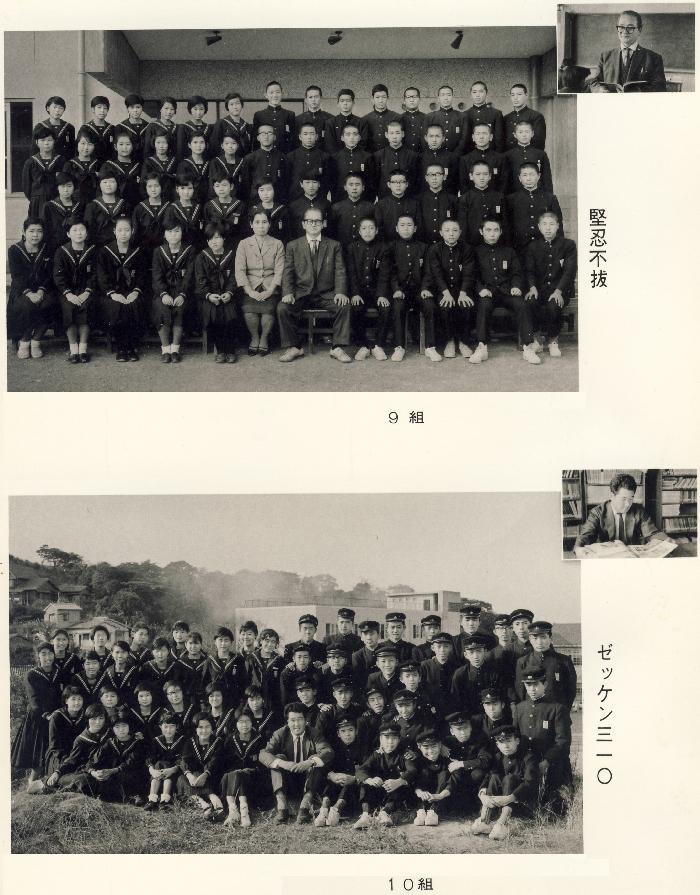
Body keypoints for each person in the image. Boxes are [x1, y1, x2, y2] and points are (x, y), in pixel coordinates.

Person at [277, 207, 352, 363]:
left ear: (323, 224)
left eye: (317, 221)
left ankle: (337, 347)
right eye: (309, 221)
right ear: (303, 224)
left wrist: (340, 292)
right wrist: (288, 292)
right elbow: (288, 272)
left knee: (344, 305)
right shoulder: (293, 245)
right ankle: (294, 347)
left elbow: (340, 270)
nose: (313, 224)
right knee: (283, 308)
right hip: (302, 292)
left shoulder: (334, 245)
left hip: (326, 293)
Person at [470, 214, 540, 366]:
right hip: (487, 292)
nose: (492, 234)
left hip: (507, 291)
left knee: (522, 305)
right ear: (481, 232)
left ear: (501, 232)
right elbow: (472, 275)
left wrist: (515, 286)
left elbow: (517, 273)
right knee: (484, 305)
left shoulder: (509, 251)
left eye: (496, 230)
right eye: (488, 230)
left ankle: (528, 347)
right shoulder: (475, 252)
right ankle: (482, 346)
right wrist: (480, 289)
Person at [260, 700, 335, 824]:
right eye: (292, 720)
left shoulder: (314, 733)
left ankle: (304, 807)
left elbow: (327, 751)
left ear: (306, 720)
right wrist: (283, 763)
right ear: (287, 722)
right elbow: (263, 754)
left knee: (315, 758)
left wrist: (309, 762)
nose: (296, 724)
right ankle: (282, 807)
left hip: (308, 781)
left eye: (300, 719)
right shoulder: (280, 733)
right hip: (287, 781)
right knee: (278, 758)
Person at [512, 668, 573, 811]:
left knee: (554, 806)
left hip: (550, 761)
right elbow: (516, 736)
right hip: (527, 761)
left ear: (544, 684)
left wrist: (547, 760)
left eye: (536, 684)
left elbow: (562, 741)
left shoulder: (557, 709)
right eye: (528, 685)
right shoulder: (520, 708)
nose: (532, 689)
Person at [379, 214, 432, 362]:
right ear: (396, 228)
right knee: (398, 307)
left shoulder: (423, 247)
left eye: (409, 225)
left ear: (415, 228)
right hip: (400, 291)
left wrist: (425, 288)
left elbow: (428, 271)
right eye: (402, 225)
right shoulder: (390, 247)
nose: (406, 228)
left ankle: (430, 346)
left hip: (419, 290)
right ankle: (399, 347)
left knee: (429, 305)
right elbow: (390, 272)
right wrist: (396, 289)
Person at [472, 724, 538, 840]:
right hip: (500, 803)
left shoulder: (528, 757)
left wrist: (510, 798)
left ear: (517, 741)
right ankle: (485, 821)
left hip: (520, 804)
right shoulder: (498, 757)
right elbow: (488, 777)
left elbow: (530, 783)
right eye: (501, 742)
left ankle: (502, 824)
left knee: (509, 778)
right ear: (497, 745)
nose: (506, 746)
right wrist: (482, 795)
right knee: (495, 776)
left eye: (509, 741)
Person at [525, 211, 577, 358]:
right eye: (544, 224)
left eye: (552, 224)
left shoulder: (568, 245)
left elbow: (569, 271)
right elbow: (529, 270)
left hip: (560, 289)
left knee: (554, 304)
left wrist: (558, 291)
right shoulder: (533, 246)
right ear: (539, 227)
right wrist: (532, 287)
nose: (548, 228)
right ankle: (537, 339)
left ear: (558, 226)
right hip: (539, 289)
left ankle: (553, 340)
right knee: (530, 301)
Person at [11, 642, 63, 789]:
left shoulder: (59, 672)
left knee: (52, 754)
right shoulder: (32, 675)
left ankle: (46, 785)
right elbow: (33, 699)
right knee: (38, 757)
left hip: (56, 717)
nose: (47, 657)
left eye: (50, 653)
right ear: (38, 656)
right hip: (39, 718)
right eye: (43, 654)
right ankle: (31, 787)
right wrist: (46, 715)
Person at [575, 472, 669, 551]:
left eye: (631, 499)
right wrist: (578, 549)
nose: (628, 504)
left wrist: (665, 540)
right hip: (608, 556)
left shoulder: (638, 511)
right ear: (612, 496)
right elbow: (585, 536)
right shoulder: (597, 512)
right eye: (623, 499)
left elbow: (652, 533)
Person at [97, 215, 147, 363]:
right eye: (120, 230)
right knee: (117, 306)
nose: (123, 233)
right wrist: (112, 293)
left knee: (133, 305)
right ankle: (121, 347)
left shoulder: (138, 251)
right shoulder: (105, 251)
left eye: (127, 230)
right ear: (114, 231)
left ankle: (131, 346)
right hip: (112, 293)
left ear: (132, 231)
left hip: (132, 291)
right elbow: (102, 276)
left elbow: (142, 275)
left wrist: (136, 291)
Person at [426, 218, 476, 362]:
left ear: (460, 232)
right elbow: (436, 274)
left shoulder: (467, 249)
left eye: (455, 230)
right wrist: (446, 293)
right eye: (447, 230)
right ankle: (449, 341)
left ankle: (463, 341)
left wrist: (463, 292)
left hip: (462, 290)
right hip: (443, 290)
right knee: (445, 306)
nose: (451, 234)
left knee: (466, 305)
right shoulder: (435, 249)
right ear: (441, 233)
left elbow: (468, 272)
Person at [7, 218, 55, 361]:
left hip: (43, 289)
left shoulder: (47, 249)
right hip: (22, 290)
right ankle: (25, 340)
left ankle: (36, 340)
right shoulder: (14, 250)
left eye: (39, 231)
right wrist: (29, 293)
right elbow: (16, 276)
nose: (35, 235)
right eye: (31, 231)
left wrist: (40, 291)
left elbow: (49, 274)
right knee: (27, 306)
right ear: (24, 232)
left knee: (50, 303)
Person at [588, 9, 666, 93]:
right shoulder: (605, 56)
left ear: (639, 30)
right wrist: (600, 90)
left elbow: (660, 88)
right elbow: (594, 82)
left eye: (630, 27)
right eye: (621, 27)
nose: (625, 31)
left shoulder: (654, 58)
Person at [52, 215, 96, 364]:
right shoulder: (61, 251)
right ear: (68, 234)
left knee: (86, 307)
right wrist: (68, 294)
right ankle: (73, 349)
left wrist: (87, 292)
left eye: (82, 229)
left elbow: (95, 274)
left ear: (87, 233)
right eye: (75, 230)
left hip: (86, 291)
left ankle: (83, 348)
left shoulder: (92, 250)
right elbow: (58, 276)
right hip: (67, 292)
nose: (79, 233)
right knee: (68, 307)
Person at [347, 216, 391, 361]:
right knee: (355, 308)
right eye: (364, 228)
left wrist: (381, 295)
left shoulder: (383, 248)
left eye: (371, 228)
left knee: (385, 308)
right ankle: (363, 345)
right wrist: (355, 293)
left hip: (377, 292)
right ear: (359, 231)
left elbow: (384, 274)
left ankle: (378, 345)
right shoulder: (352, 248)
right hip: (359, 292)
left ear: (376, 230)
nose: (368, 231)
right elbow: (351, 273)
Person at [151, 222, 195, 364]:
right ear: (164, 235)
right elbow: (157, 276)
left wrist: (182, 294)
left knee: (180, 309)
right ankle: (165, 349)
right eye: (169, 232)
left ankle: (175, 349)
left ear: (182, 233)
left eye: (176, 231)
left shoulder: (189, 250)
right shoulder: (158, 251)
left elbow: (189, 276)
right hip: (163, 291)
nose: (173, 235)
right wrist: (163, 294)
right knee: (161, 308)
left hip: (183, 291)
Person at [195, 221, 239, 364]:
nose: (214, 241)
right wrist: (209, 295)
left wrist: (229, 293)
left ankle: (230, 350)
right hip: (209, 297)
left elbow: (234, 277)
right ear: (207, 241)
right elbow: (200, 280)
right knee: (214, 315)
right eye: (211, 238)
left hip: (228, 295)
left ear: (224, 238)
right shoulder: (201, 257)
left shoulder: (231, 255)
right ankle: (220, 350)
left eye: (218, 237)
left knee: (230, 313)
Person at [355, 721, 410, 828]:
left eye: (394, 738)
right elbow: (361, 770)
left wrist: (399, 781)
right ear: (380, 739)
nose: (390, 742)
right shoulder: (376, 754)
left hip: (395, 793)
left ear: (399, 740)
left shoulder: (404, 754)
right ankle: (366, 816)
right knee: (365, 784)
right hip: (379, 790)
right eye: (386, 738)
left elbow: (412, 770)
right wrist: (370, 780)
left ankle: (384, 813)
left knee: (401, 787)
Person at [86, 707, 148, 803]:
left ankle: (134, 796)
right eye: (117, 727)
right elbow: (95, 759)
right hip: (113, 774)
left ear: (129, 726)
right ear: (113, 729)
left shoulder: (137, 742)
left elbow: (130, 763)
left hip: (131, 774)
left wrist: (112, 771)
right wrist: (94, 772)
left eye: (124, 726)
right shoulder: (110, 742)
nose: (121, 730)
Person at [513, 621, 577, 709]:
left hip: (557, 712)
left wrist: (563, 712)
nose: (539, 642)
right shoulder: (523, 662)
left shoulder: (564, 661)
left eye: (543, 637)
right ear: (530, 639)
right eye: (535, 638)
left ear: (550, 638)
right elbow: (520, 692)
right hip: (532, 712)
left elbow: (571, 690)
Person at [221, 710, 266, 827]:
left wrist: (250, 769)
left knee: (241, 774)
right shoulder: (230, 740)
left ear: (252, 723)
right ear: (236, 724)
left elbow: (262, 763)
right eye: (241, 722)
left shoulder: (259, 739)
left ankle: (237, 811)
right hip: (232, 778)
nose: (244, 725)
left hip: (253, 778)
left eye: (247, 721)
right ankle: (241, 810)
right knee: (236, 774)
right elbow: (225, 763)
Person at [178, 711, 226, 819]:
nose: (204, 730)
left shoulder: (218, 742)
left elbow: (215, 762)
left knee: (206, 780)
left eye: (207, 727)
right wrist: (189, 775)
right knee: (181, 779)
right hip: (194, 778)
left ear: (212, 727)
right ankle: (203, 804)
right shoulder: (190, 742)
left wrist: (205, 774)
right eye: (200, 727)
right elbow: (184, 760)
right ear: (195, 728)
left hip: (211, 776)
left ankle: (214, 801)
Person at [406, 729, 453, 826]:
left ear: (440, 745)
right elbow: (413, 781)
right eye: (426, 747)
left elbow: (452, 782)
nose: (430, 751)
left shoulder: (446, 761)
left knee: (444, 774)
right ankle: (421, 810)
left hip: (440, 797)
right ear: (419, 747)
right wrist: (419, 792)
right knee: (424, 773)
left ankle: (433, 811)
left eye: (434, 746)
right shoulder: (418, 761)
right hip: (422, 796)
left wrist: (440, 796)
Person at [457, 161, 507, 248]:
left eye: (485, 174)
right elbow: (463, 227)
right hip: (473, 244)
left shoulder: (499, 197)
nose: (482, 177)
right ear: (471, 176)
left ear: (490, 176)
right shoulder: (465, 198)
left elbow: (504, 223)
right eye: (478, 174)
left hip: (495, 244)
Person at [22, 124, 65, 219]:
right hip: (37, 202)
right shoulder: (31, 162)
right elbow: (26, 187)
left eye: (49, 140)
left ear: (54, 141)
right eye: (43, 140)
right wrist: (36, 197)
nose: (46, 143)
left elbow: (64, 181)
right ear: (37, 142)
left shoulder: (60, 161)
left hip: (56, 200)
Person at [144, 711, 184, 811]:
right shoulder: (156, 741)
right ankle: (152, 799)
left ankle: (165, 800)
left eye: (172, 726)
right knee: (158, 763)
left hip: (175, 772)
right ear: (160, 727)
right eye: (165, 727)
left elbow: (183, 759)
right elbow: (150, 758)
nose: (168, 730)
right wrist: (152, 770)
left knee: (165, 764)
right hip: (158, 773)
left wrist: (172, 769)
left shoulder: (182, 740)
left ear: (177, 727)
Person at [84, 167, 130, 247]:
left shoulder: (124, 205)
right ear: (99, 185)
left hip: (120, 246)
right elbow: (89, 231)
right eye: (104, 182)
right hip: (98, 246)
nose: (108, 185)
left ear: (117, 184)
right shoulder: (92, 206)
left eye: (112, 182)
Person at [504, 123, 553, 195]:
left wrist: (549, 197)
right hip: (514, 194)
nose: (524, 135)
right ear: (515, 135)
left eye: (527, 132)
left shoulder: (541, 154)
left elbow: (547, 179)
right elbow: (505, 180)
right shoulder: (508, 155)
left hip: (537, 194)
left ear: (532, 133)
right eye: (520, 132)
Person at [374, 120, 419, 198]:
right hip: (385, 198)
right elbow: (375, 180)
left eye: (397, 133)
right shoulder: (378, 155)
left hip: (407, 198)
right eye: (391, 133)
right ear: (386, 135)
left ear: (402, 134)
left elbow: (415, 180)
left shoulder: (412, 156)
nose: (394, 137)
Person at [42, 171, 84, 256]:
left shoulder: (80, 205)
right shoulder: (49, 206)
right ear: (57, 188)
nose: (66, 190)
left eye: (69, 186)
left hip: (76, 246)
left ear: (74, 187)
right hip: (55, 247)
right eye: (62, 186)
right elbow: (45, 230)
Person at [286, 124, 329, 203]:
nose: (309, 137)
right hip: (295, 200)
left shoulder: (324, 157)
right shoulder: (290, 156)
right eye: (305, 134)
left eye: (312, 134)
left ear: (316, 136)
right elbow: (287, 181)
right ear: (300, 137)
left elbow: (326, 182)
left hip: (318, 200)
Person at [417, 164, 457, 246]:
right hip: (424, 245)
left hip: (445, 245)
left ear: (444, 177)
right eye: (431, 174)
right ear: (426, 178)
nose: (434, 178)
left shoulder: (453, 199)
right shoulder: (418, 200)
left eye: (438, 174)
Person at [253, 81, 297, 154]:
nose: (275, 95)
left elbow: (293, 139)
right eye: (271, 92)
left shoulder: (290, 114)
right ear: (266, 95)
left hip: (284, 155)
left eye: (277, 92)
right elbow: (255, 140)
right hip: (264, 156)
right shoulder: (259, 115)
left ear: (282, 94)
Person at [424, 85, 466, 155]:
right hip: (436, 156)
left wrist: (455, 155)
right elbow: (426, 139)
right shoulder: (430, 117)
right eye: (443, 95)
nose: (446, 98)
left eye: (448, 95)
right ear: (438, 98)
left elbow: (464, 139)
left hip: (456, 156)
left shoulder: (461, 116)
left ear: (452, 97)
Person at [464, 81, 505, 152]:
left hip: (491, 153)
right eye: (474, 92)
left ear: (486, 93)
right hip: (470, 154)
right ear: (471, 94)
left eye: (481, 92)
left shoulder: (496, 113)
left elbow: (499, 140)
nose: (477, 95)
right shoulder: (465, 114)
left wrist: (497, 156)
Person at [325, 89, 368, 155]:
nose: (345, 103)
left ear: (353, 103)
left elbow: (363, 143)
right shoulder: (330, 123)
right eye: (342, 101)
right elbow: (330, 145)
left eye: (348, 101)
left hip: (357, 158)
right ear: (338, 104)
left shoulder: (361, 122)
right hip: (336, 158)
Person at [210, 92, 253, 159]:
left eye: (237, 103)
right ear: (227, 107)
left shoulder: (247, 126)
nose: (235, 107)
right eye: (231, 104)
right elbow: (215, 146)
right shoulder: (221, 123)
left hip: (244, 161)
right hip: (226, 161)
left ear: (242, 105)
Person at [504, 84, 546, 150]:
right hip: (508, 155)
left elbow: (539, 143)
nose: (515, 98)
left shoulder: (536, 116)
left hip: (528, 155)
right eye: (513, 95)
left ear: (526, 95)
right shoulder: (506, 118)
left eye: (519, 94)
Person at [362, 84, 399, 153]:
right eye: (377, 97)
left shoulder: (396, 117)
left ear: (388, 98)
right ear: (372, 99)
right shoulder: (365, 119)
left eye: (383, 97)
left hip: (391, 155)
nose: (381, 100)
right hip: (371, 156)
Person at [176, 95, 214, 162]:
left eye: (201, 109)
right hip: (189, 162)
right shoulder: (183, 127)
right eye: (195, 109)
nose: (198, 112)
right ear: (190, 109)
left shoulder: (209, 128)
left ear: (205, 110)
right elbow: (180, 150)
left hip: (206, 162)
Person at [40, 95, 76, 160]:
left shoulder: (69, 127)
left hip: (64, 162)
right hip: (45, 162)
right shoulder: (40, 127)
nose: (57, 110)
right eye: (55, 107)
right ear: (48, 108)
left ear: (64, 110)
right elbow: (34, 150)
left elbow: (72, 150)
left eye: (61, 108)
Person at [82, 95, 114, 163]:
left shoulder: (112, 128)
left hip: (109, 165)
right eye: (99, 107)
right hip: (91, 165)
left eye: (105, 108)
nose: (102, 110)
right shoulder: (86, 128)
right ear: (93, 109)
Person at [118, 93, 148, 164]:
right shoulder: (120, 127)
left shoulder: (148, 126)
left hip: (145, 162)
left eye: (138, 107)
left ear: (142, 108)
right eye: (132, 107)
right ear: (127, 109)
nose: (135, 110)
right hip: (127, 163)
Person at [400, 86, 427, 154]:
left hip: (423, 156)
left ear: (419, 99)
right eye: (408, 97)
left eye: (414, 97)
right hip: (404, 156)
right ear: (404, 100)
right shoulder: (399, 119)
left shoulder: (427, 118)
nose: (411, 100)